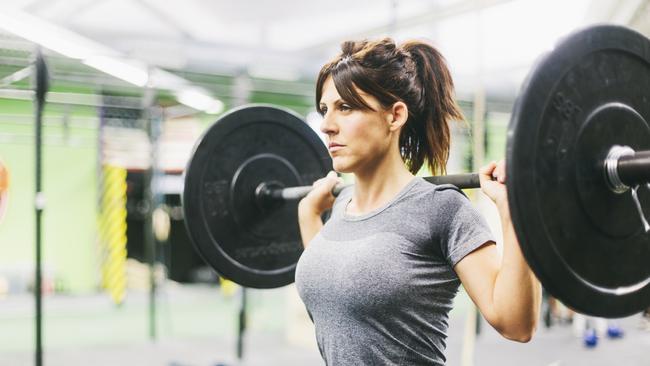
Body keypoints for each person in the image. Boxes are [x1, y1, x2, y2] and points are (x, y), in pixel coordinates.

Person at [294, 38, 541, 365]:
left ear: (394, 116)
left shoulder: (441, 209)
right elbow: (335, 300)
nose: (327, 125)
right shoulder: (341, 205)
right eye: (325, 110)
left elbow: (516, 324)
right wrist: (308, 213)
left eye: (346, 107)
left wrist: (517, 213)